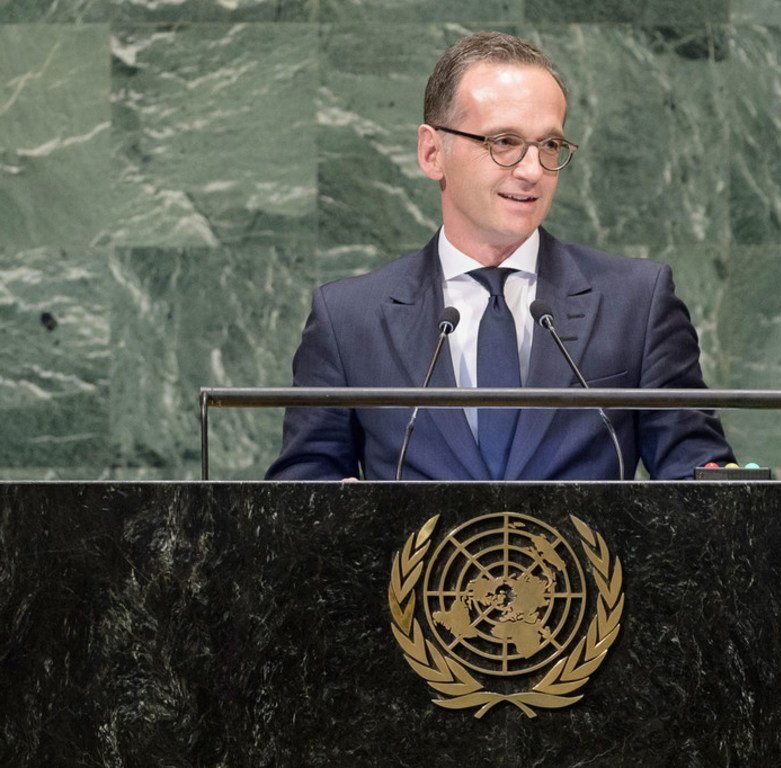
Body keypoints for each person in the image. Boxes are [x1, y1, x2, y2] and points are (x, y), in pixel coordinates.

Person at [266, 31, 734, 481]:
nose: (532, 170)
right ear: (432, 152)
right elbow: (304, 483)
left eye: (550, 144)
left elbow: (695, 472)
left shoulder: (636, 302)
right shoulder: (349, 319)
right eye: (504, 142)